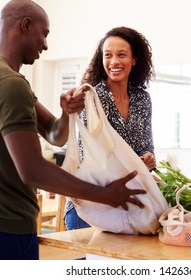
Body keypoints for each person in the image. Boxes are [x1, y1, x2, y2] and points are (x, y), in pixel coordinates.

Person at [0, 0, 146, 260]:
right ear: (26, 25)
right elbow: (33, 170)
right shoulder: (8, 83)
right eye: (44, 34)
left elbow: (55, 136)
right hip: (4, 222)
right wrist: (105, 195)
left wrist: (66, 113)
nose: (46, 45)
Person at [64, 26, 156, 230]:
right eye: (108, 55)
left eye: (121, 55)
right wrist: (133, 166)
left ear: (134, 59)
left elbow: (146, 149)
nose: (114, 61)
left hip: (127, 206)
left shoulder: (142, 99)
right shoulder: (92, 98)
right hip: (91, 205)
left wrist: (148, 159)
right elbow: (90, 159)